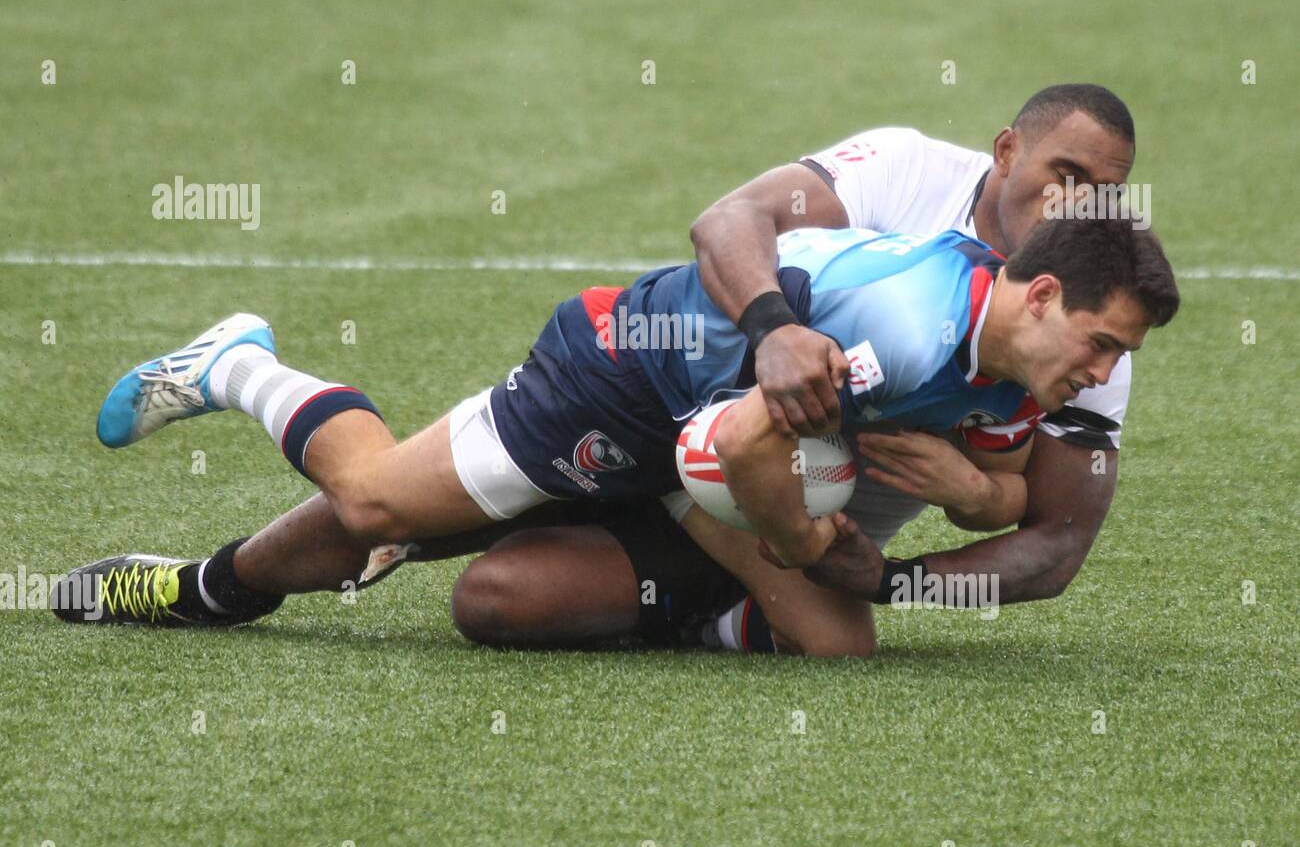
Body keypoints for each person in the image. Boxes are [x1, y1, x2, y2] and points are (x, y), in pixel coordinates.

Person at [52, 216, 1178, 646]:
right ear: (1036, 297)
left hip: (704, 434)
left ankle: (555, 538)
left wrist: (974, 498)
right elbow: (737, 449)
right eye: (1100, 342)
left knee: (839, 647)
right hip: (625, 373)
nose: (1103, 373)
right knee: (375, 504)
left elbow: (1004, 497)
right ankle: (239, 363)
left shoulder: (1014, 366)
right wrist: (809, 547)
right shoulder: (907, 329)